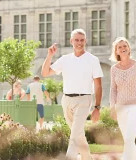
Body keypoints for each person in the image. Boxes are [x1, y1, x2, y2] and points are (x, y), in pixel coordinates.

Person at [42, 29, 103, 160]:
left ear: (85, 41)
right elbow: (45, 73)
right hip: (67, 100)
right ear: (71, 41)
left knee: (74, 136)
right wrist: (49, 56)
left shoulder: (93, 60)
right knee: (78, 134)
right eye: (76, 40)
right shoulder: (65, 60)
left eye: (82, 40)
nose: (79, 43)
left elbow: (98, 85)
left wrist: (97, 107)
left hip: (84, 100)